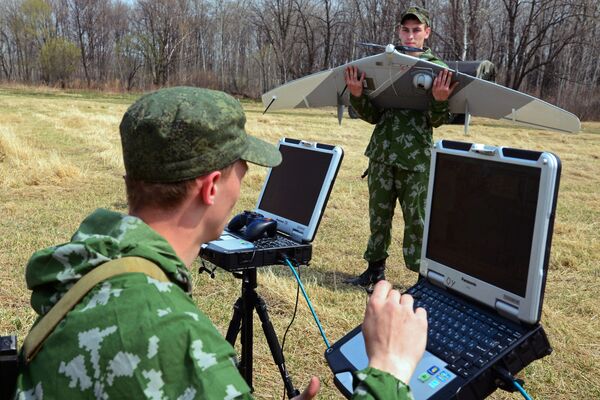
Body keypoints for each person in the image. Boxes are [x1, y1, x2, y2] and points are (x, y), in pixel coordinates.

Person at [14, 87, 427, 399]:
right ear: (212, 187)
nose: (245, 182)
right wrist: (388, 370)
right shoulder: (179, 341)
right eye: (242, 169)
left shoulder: (93, 270)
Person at [344, 6, 458, 287]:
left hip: (415, 160)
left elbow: (437, 120)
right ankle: (374, 270)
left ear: (426, 33)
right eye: (405, 30)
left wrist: (440, 99)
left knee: (417, 220)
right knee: (378, 217)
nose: (410, 35)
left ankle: (423, 280)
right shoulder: (385, 64)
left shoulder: (438, 70)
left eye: (416, 30)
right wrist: (357, 95)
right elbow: (374, 116)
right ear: (399, 31)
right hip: (382, 155)